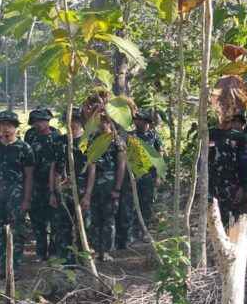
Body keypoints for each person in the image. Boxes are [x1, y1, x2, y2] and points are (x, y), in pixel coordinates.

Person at [0, 110, 33, 278]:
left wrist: (26, 200)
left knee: (16, 231)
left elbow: (28, 176)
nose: (6, 128)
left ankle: (13, 266)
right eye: (3, 124)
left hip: (16, 193)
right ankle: (0, 264)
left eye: (10, 125)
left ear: (16, 127)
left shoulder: (24, 148)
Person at [49, 108, 95, 264]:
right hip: (63, 189)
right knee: (63, 227)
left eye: (76, 120)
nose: (73, 124)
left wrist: (88, 194)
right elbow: (53, 169)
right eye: (70, 121)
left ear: (81, 122)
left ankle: (84, 260)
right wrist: (52, 193)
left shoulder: (87, 142)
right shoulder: (58, 142)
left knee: (84, 226)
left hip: (81, 189)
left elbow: (92, 169)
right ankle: (67, 261)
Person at [122, 108, 163, 244]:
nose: (137, 122)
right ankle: (133, 232)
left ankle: (145, 231)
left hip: (149, 175)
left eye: (140, 119)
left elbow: (159, 156)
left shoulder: (154, 137)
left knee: (147, 203)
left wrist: (158, 175)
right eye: (136, 119)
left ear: (146, 121)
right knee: (133, 203)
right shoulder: (130, 136)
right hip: (133, 176)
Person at [88, 114, 125, 261]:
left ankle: (107, 250)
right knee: (95, 218)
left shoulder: (117, 139)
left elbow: (121, 165)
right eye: (100, 122)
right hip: (94, 180)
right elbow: (90, 163)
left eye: (106, 122)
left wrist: (117, 187)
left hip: (110, 181)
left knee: (109, 219)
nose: (103, 125)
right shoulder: (92, 139)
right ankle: (97, 249)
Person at [24, 108, 60, 260]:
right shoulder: (30, 135)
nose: (40, 124)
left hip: (52, 183)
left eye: (44, 120)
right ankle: (40, 251)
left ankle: (53, 252)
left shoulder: (56, 136)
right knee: (37, 219)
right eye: (37, 121)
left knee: (55, 219)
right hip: (34, 182)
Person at [209, 112, 247, 226]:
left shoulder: (239, 137)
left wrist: (241, 187)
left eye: (229, 111)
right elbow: (201, 159)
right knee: (213, 218)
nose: (226, 114)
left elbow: (244, 163)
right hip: (212, 184)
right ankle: (214, 243)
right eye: (223, 111)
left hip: (232, 184)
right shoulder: (209, 133)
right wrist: (199, 181)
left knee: (232, 220)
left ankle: (230, 242)